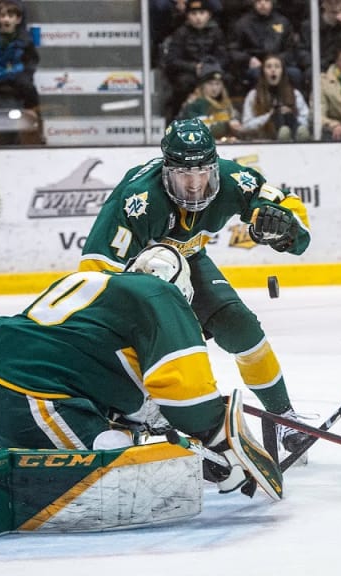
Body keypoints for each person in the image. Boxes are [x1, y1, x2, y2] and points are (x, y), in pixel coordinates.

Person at [0, 245, 282, 537]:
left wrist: (194, 449)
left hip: (0, 390)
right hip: (31, 399)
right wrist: (217, 442)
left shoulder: (96, 286)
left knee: (123, 439)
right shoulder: (160, 295)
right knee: (120, 461)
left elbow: (109, 383)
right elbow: (186, 394)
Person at [79, 118, 313, 458]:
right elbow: (95, 274)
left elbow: (288, 210)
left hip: (189, 261)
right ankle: (128, 416)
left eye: (202, 173)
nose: (193, 185)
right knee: (144, 349)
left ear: (215, 166)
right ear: (165, 171)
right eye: (183, 175)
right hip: (139, 281)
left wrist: (285, 227)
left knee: (242, 329)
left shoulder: (235, 179)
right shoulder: (137, 199)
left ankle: (283, 418)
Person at [161, 0, 231, 124]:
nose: (198, 17)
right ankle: (179, 119)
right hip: (189, 74)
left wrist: (209, 68)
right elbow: (172, 60)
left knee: (227, 79)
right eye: (193, 14)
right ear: (188, 16)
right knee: (183, 83)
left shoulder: (216, 32)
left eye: (202, 13)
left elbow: (224, 57)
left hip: (211, 71)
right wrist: (194, 67)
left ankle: (225, 118)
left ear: (209, 15)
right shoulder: (181, 33)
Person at [242, 53, 312, 141]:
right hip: (264, 140)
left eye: (277, 67)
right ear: (263, 72)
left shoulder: (295, 93)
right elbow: (246, 125)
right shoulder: (253, 95)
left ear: (282, 71)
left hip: (293, 140)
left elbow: (306, 119)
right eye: (269, 67)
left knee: (289, 129)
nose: (273, 70)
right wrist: (269, 116)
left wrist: (292, 116)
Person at [178, 62, 243, 142]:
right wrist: (227, 125)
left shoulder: (227, 104)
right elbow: (201, 131)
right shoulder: (195, 104)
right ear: (202, 85)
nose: (214, 88)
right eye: (210, 84)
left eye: (218, 84)